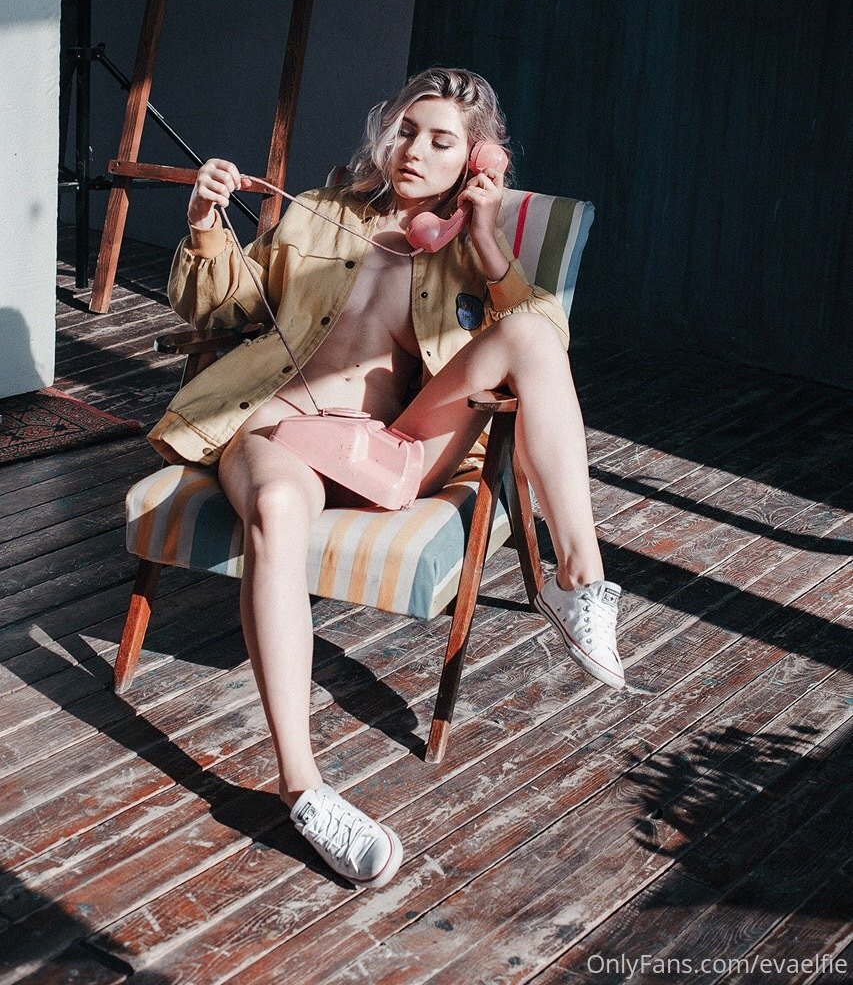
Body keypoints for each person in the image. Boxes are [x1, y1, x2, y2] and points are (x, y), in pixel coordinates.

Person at [148, 67, 624, 889]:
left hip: (398, 443)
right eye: (405, 130)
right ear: (384, 131)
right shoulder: (319, 212)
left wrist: (484, 237)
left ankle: (578, 581)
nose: (414, 150)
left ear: (474, 159)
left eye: (440, 141)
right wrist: (204, 226)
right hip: (278, 430)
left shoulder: (471, 245)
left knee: (531, 338)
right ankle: (303, 790)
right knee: (274, 505)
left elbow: (541, 332)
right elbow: (220, 311)